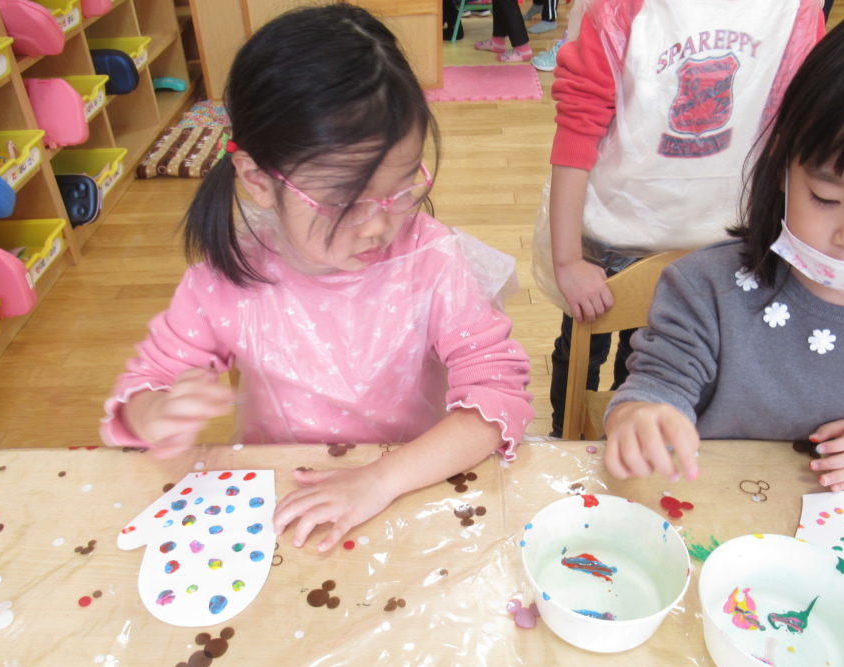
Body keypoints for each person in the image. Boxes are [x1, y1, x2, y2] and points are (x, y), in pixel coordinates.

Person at [100, 4, 534, 551]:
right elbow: (145, 387)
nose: (378, 225)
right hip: (286, 503)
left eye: (401, 188)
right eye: (346, 202)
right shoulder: (227, 278)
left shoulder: (430, 261)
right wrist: (157, 413)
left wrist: (380, 480)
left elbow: (497, 399)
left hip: (411, 488)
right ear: (258, 180)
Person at [603, 0, 844, 492]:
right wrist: (641, 415)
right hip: (710, 498)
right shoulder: (705, 288)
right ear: (782, 165)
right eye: (825, 196)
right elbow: (659, 383)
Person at [532, 0, 825, 437]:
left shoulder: (794, 11)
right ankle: (566, 437)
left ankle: (622, 435)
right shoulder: (622, 8)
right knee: (582, 348)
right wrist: (567, 260)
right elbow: (579, 124)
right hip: (614, 226)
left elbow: (795, 129)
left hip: (719, 240)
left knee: (651, 359)